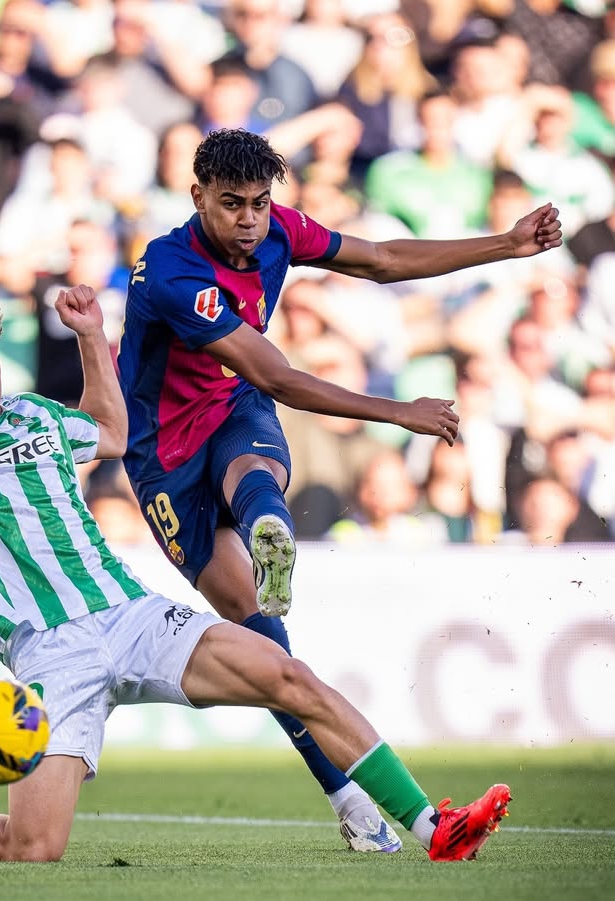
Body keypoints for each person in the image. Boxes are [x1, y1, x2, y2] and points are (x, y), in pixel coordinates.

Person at [0, 235, 512, 865]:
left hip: (133, 616)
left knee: (290, 675)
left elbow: (114, 430)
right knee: (32, 848)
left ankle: (431, 824)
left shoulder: (41, 421)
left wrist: (91, 335)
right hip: (51, 653)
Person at [115, 127, 562, 853]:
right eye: (232, 205)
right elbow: (280, 376)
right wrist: (398, 412)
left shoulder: (278, 231)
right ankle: (355, 801)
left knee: (253, 470)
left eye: (261, 204)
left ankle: (271, 533)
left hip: (231, 410)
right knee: (271, 654)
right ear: (196, 196)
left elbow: (383, 260)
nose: (250, 221)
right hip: (163, 457)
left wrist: (505, 244)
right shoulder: (171, 272)